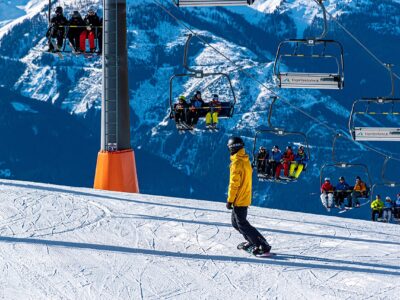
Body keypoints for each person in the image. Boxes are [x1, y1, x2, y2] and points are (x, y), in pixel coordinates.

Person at [226, 137, 271, 256]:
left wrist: (230, 200)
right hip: (244, 195)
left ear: (232, 148)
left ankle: (262, 245)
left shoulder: (237, 162)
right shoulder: (245, 159)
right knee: (236, 223)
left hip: (239, 198)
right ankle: (252, 241)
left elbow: (234, 184)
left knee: (242, 224)